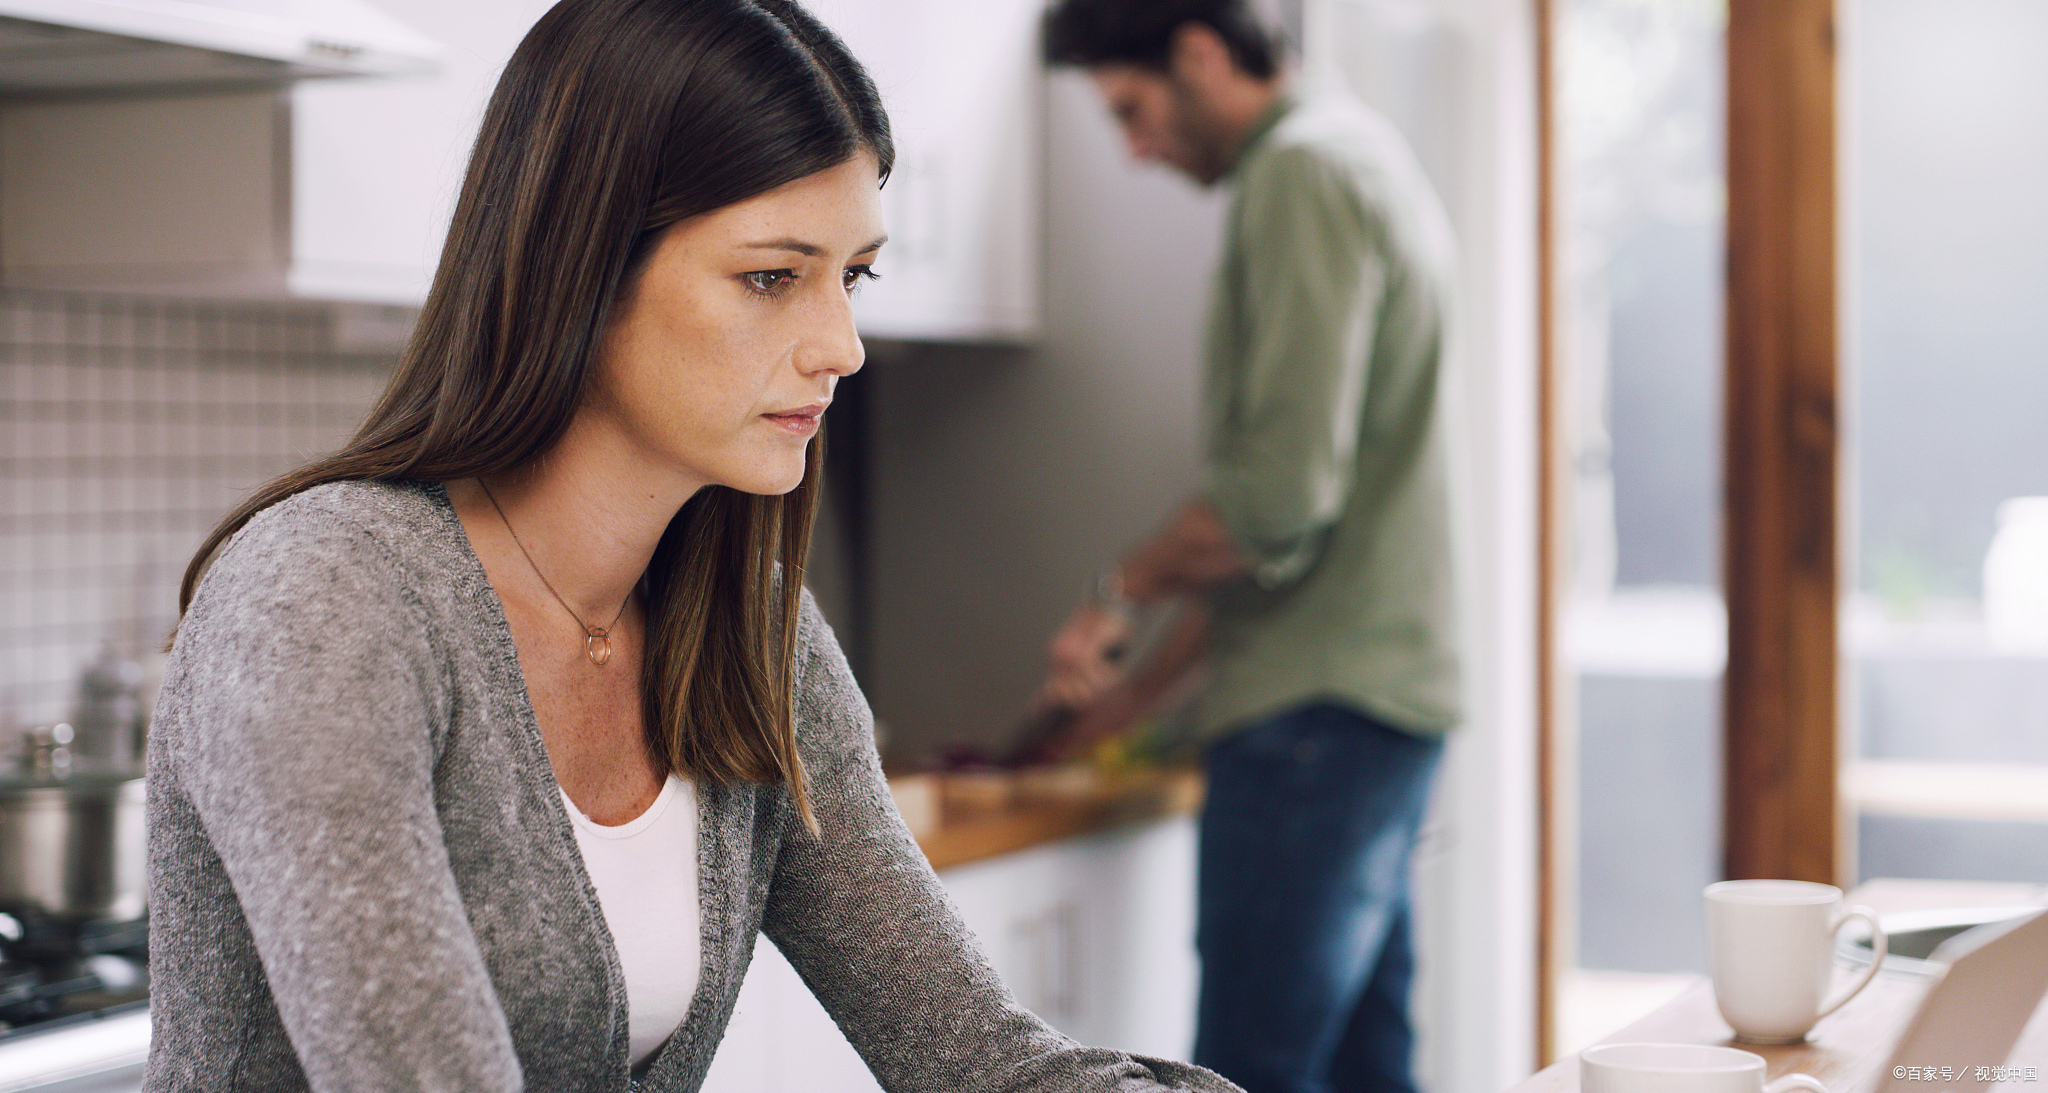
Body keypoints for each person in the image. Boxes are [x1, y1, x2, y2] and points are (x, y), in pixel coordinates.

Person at [145, 2, 1247, 1090]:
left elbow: (984, 1061)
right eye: (772, 276)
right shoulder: (327, 600)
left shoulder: (745, 631)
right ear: (578, 265)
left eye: (852, 275)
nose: (841, 346)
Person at [1036, 3, 1462, 1093]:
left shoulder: (1299, 174)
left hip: (1312, 728)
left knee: (1247, 1075)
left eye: (1130, 113)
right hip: (1363, 704)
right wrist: (1134, 701)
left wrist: (1115, 591)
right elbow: (1279, 550)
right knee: (1368, 1070)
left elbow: (1274, 498)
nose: (1132, 151)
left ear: (1198, 48)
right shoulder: (1357, 153)